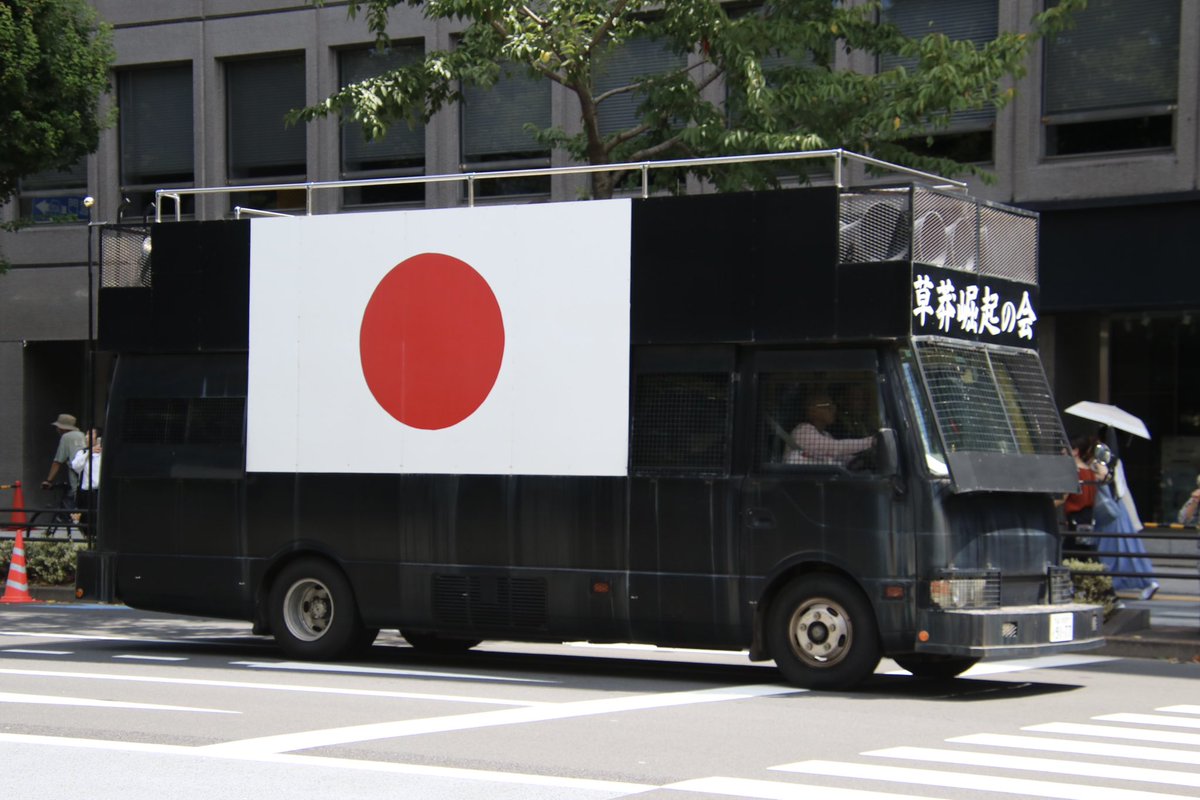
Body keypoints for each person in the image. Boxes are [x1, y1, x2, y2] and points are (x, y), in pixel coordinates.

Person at [1088, 437, 1158, 600]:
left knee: (1108, 550)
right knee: (1129, 548)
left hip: (1107, 512)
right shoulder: (1115, 462)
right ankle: (1145, 580)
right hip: (1118, 509)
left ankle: (1108, 586)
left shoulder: (1099, 464)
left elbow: (1104, 483)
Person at [784, 392, 875, 466]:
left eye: (833, 405)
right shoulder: (802, 432)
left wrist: (863, 459)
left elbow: (842, 457)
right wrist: (870, 442)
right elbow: (834, 448)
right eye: (827, 405)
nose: (833, 409)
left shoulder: (826, 435)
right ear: (812, 411)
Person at [42, 413, 86, 504]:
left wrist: (48, 481)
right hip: (87, 478)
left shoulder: (66, 437)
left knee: (74, 503)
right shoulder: (82, 434)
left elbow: (57, 462)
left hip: (77, 479)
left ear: (61, 428)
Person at [70, 428, 102, 533]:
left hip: (100, 492)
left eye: (91, 433)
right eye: (86, 433)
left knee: (99, 521)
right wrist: (89, 452)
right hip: (86, 492)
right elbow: (76, 466)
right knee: (85, 521)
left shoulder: (103, 453)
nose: (87, 436)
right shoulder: (82, 452)